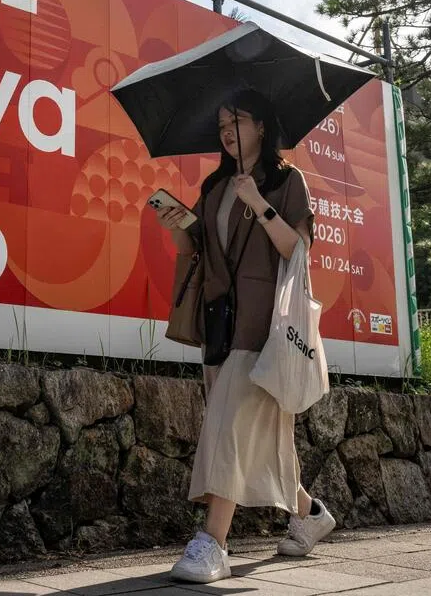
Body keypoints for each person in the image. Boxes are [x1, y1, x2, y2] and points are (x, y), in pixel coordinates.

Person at [154, 88, 336, 583]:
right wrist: (175, 226)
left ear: (261, 126)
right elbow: (196, 249)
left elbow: (297, 249)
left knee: (228, 426)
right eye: (221, 125)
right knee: (249, 436)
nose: (227, 131)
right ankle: (310, 514)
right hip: (221, 322)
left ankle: (212, 544)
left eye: (236, 120)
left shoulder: (286, 181)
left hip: (266, 326)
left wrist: (259, 203)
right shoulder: (215, 185)